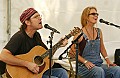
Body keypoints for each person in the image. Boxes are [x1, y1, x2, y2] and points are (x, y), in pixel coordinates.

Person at [0, 8, 68, 78]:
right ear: (27, 22)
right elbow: (3, 56)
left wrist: (59, 45)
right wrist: (27, 64)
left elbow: (46, 55)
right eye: (36, 17)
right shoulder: (19, 37)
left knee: (62, 72)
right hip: (21, 73)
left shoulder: (36, 35)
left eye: (39, 16)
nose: (40, 18)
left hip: (35, 72)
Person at [69, 6, 120, 78]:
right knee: (99, 71)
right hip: (84, 67)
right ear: (86, 17)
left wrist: (108, 61)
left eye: (97, 14)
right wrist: (85, 61)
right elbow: (71, 53)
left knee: (117, 69)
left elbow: (102, 48)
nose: (96, 16)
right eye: (93, 14)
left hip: (98, 64)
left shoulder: (99, 31)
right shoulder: (80, 33)